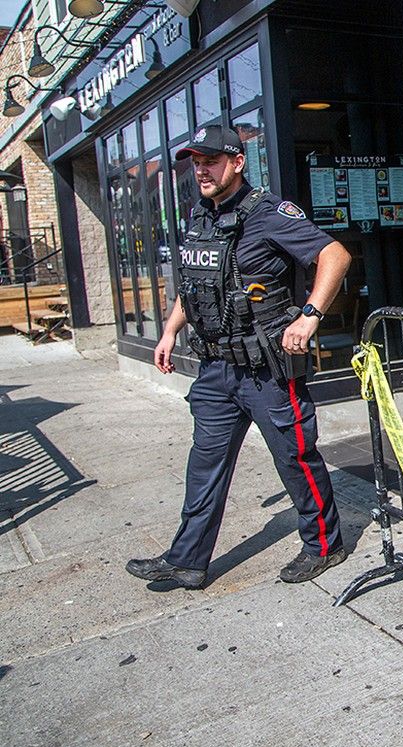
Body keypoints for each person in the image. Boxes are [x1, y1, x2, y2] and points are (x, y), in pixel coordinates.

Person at [125, 124, 352, 589]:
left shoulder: (269, 214)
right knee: (204, 464)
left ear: (237, 162)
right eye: (196, 162)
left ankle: (325, 546)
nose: (201, 170)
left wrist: (309, 315)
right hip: (215, 371)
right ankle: (187, 560)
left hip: (267, 370)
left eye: (211, 160)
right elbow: (198, 290)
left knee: (295, 459)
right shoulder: (200, 218)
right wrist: (169, 331)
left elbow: (336, 255)